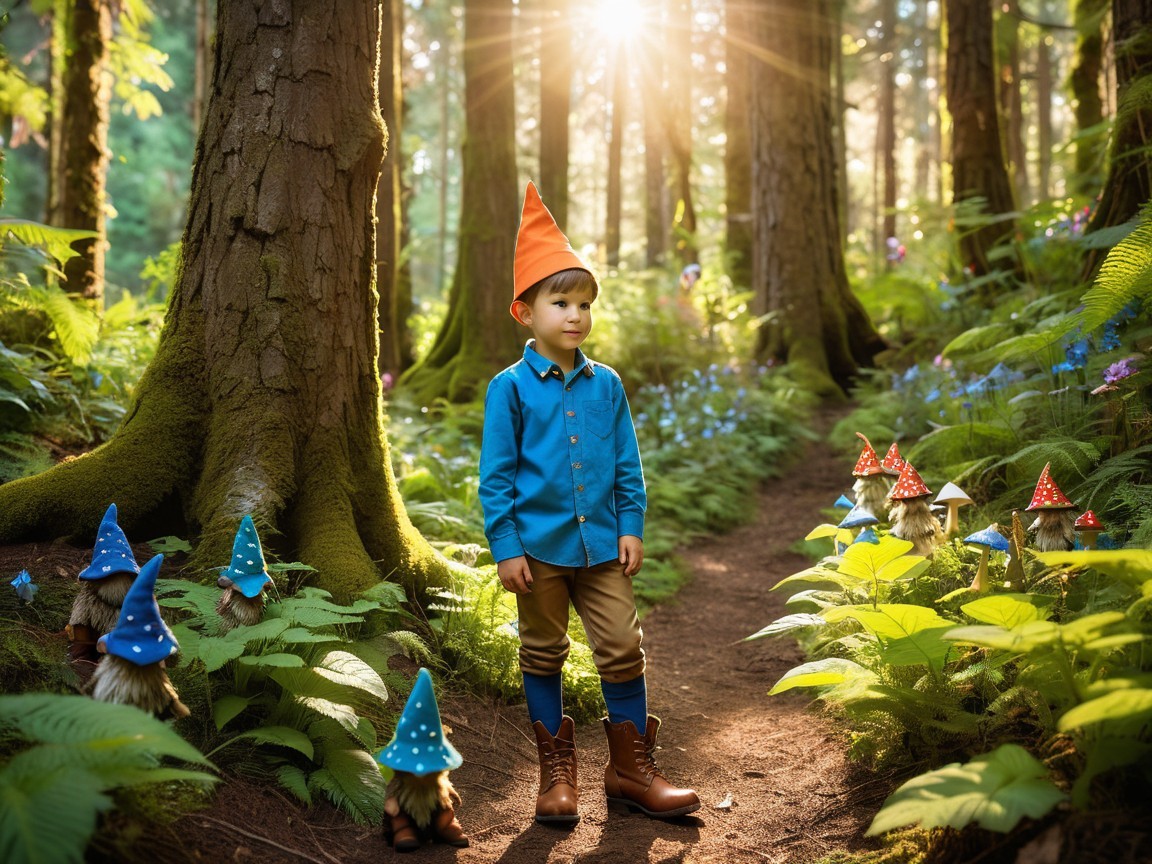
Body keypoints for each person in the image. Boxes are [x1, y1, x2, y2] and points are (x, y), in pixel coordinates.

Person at [479, 181, 700, 826]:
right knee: (542, 651)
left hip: (602, 546)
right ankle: (557, 777)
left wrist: (631, 524)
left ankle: (631, 772)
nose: (574, 315)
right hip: (538, 552)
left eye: (583, 304)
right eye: (560, 302)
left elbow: (627, 462)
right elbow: (495, 477)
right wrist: (506, 547)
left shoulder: (608, 386)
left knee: (623, 647)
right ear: (525, 312)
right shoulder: (509, 390)